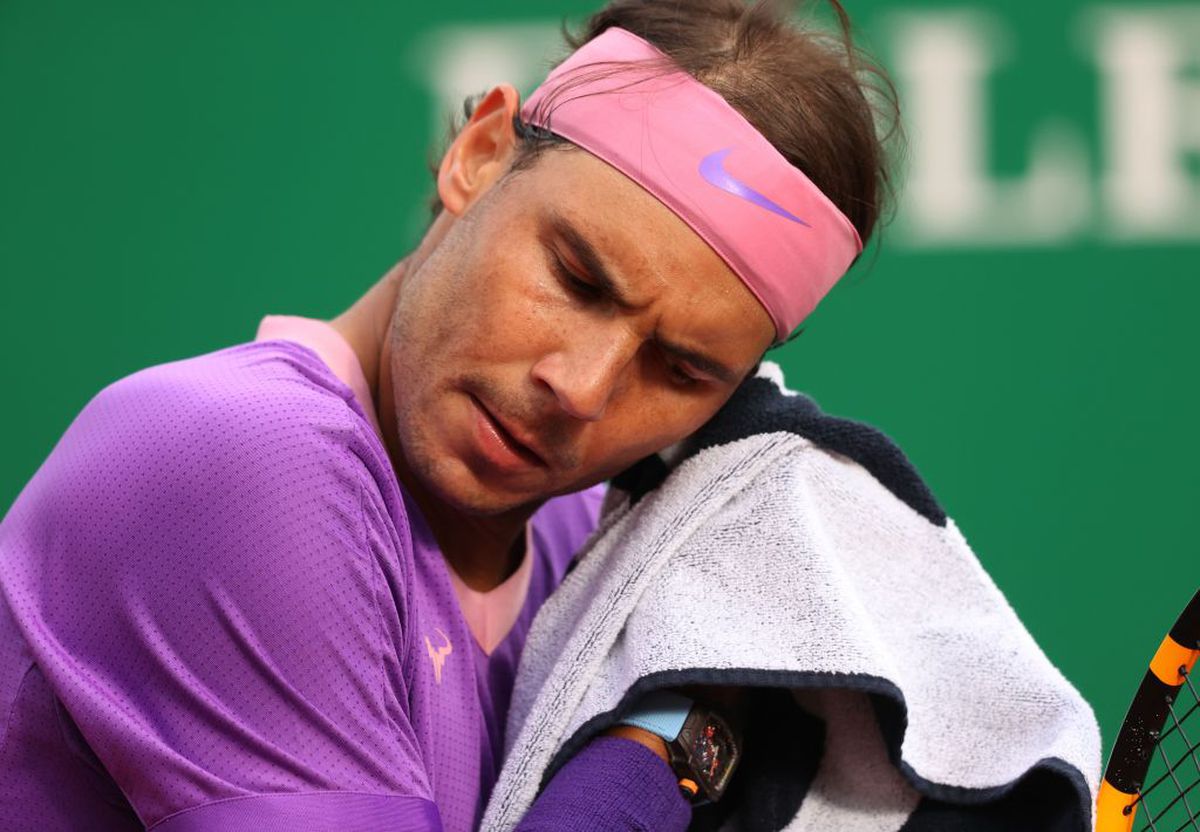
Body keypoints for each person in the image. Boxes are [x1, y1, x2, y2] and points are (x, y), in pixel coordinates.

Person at [0, 0, 897, 829]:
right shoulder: (245, 458)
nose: (581, 388)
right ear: (480, 154)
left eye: (682, 368)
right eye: (577, 279)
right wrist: (669, 737)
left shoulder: (596, 546)